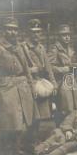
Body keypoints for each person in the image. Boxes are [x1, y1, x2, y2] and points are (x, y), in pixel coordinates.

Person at [0, 17, 36, 155]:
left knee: (24, 119)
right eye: (9, 28)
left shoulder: (20, 47)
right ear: (4, 30)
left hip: (22, 85)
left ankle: (20, 148)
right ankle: (9, 151)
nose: (12, 32)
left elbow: (26, 69)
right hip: (6, 88)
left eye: (15, 29)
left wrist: (32, 87)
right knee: (9, 119)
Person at [22, 19, 57, 147]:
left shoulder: (41, 48)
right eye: (33, 32)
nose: (36, 35)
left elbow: (48, 67)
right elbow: (21, 69)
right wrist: (31, 70)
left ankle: (35, 140)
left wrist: (53, 84)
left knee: (41, 114)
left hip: (41, 84)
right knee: (31, 115)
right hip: (29, 84)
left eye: (38, 32)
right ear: (28, 33)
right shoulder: (23, 48)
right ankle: (28, 141)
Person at [48, 24, 77, 125]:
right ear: (59, 36)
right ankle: (62, 129)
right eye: (64, 35)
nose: (67, 37)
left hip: (72, 80)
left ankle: (72, 127)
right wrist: (64, 69)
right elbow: (49, 68)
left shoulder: (70, 49)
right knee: (65, 108)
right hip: (60, 82)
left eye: (68, 35)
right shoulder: (54, 49)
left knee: (75, 106)